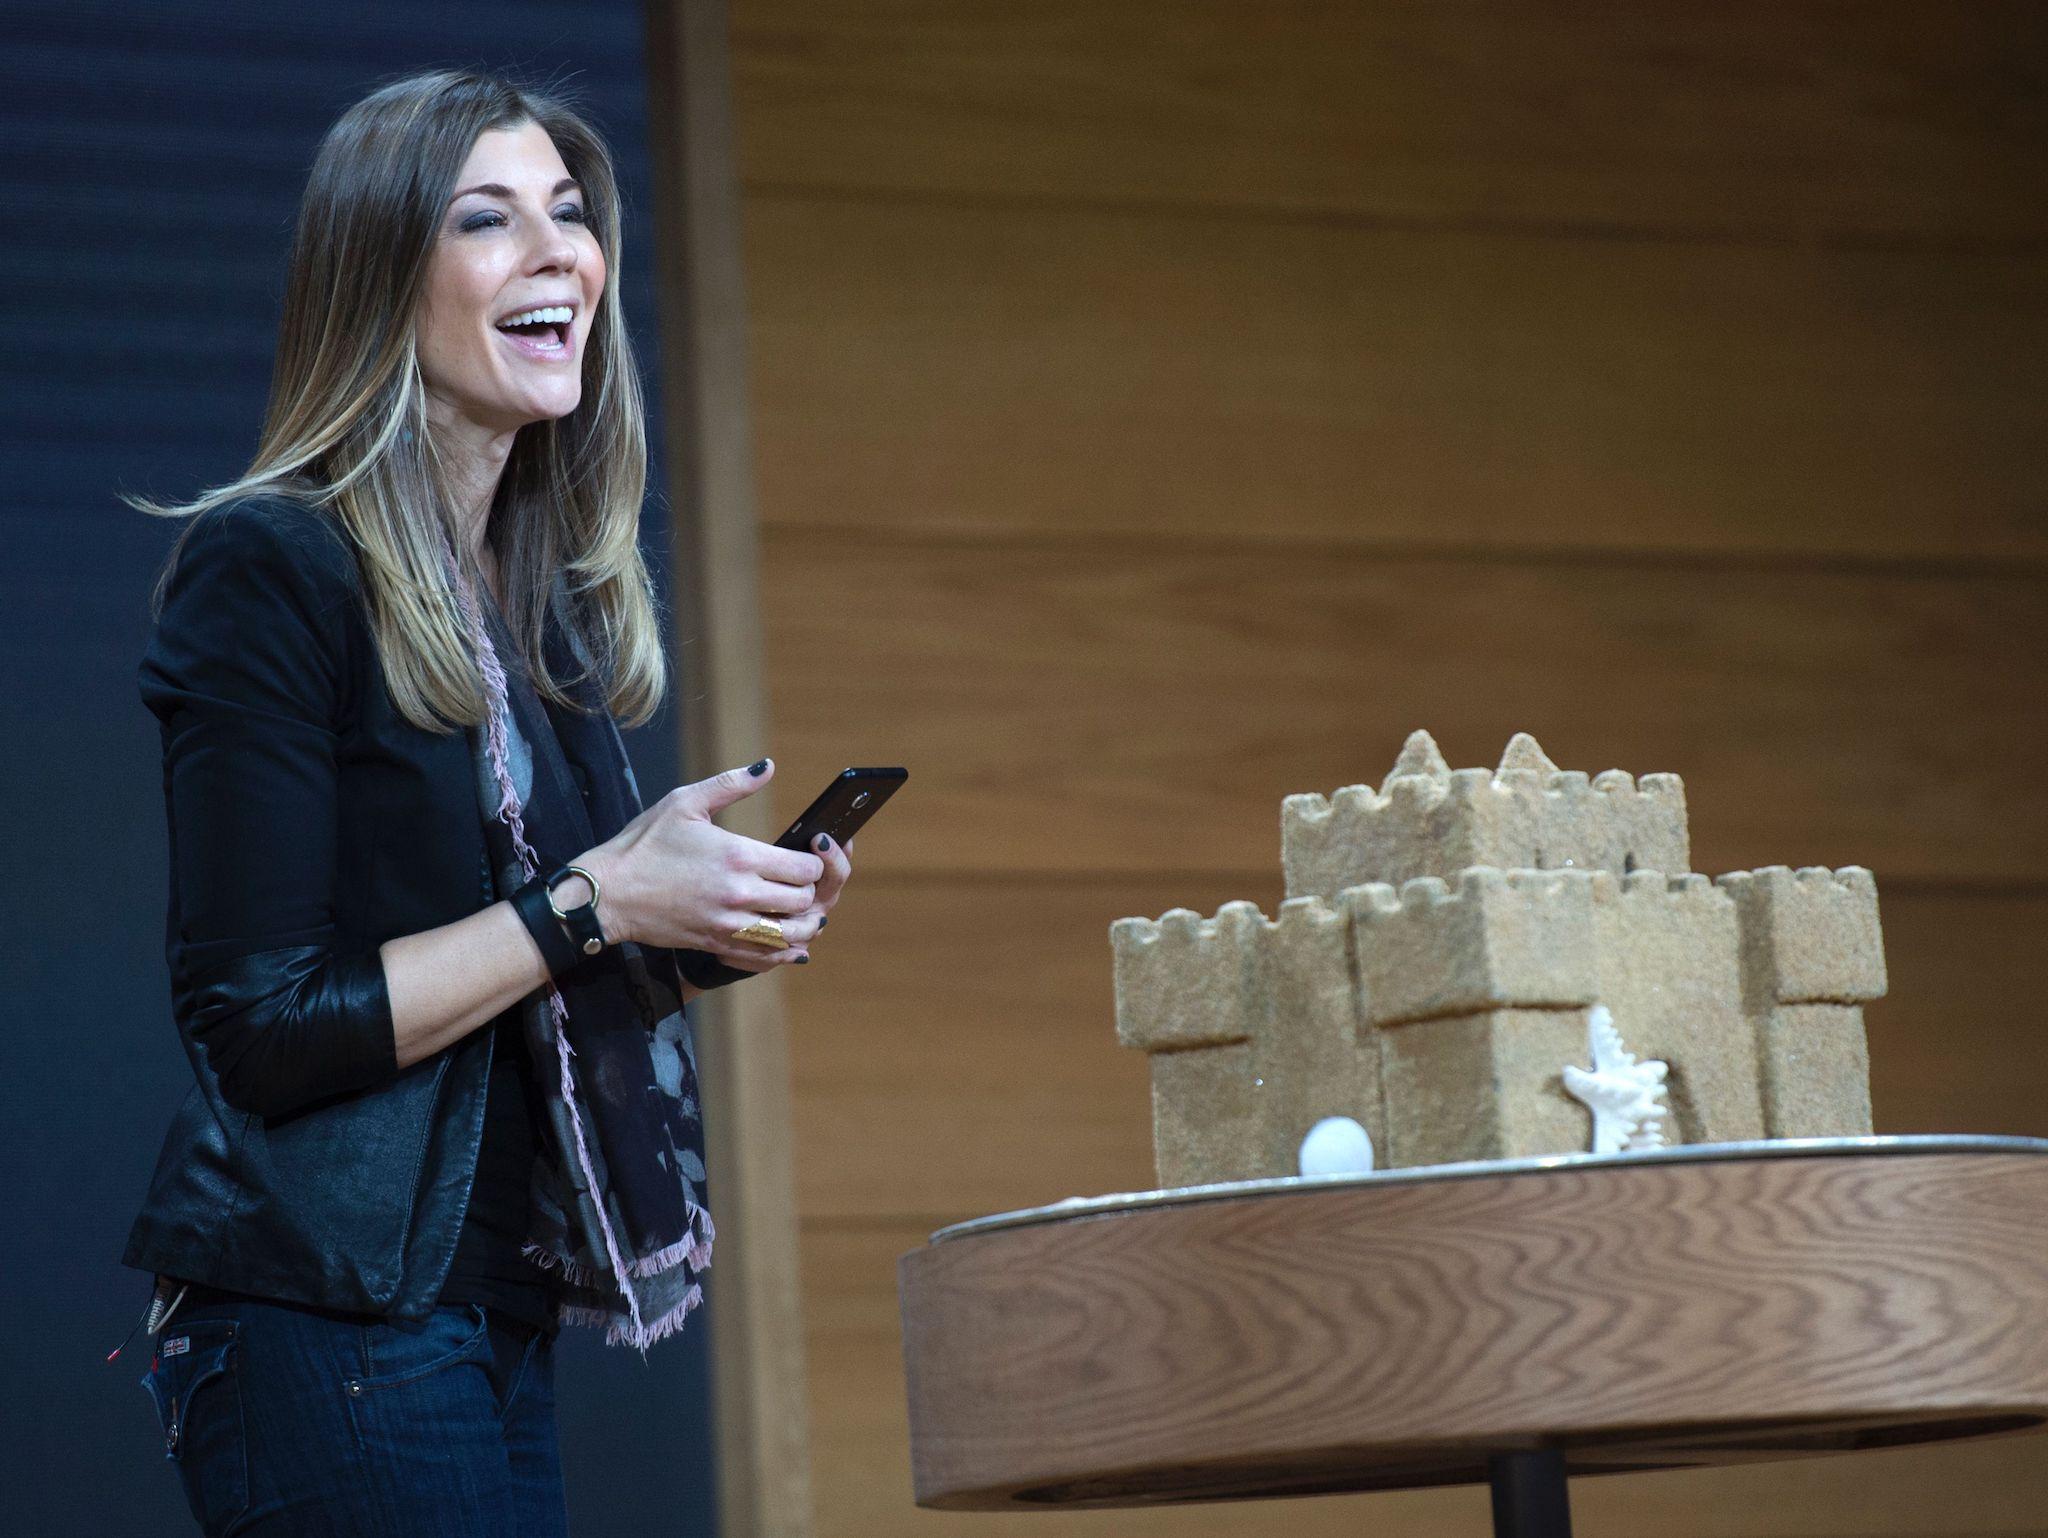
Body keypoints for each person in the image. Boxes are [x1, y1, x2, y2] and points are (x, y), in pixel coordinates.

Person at [110, 68, 851, 1536]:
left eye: (571, 218)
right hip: (325, 1313)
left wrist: (695, 915)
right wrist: (597, 897)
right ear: (385, 278)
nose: (557, 255)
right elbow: (259, 1025)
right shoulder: (273, 566)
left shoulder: (528, 601)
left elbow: (532, 955)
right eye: (489, 220)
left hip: (470, 1309)